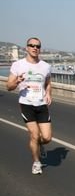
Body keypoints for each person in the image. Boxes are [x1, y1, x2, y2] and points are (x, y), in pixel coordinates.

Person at [6, 37, 52, 175]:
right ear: (26, 48)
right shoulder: (18, 65)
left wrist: (49, 93)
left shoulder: (45, 66)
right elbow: (8, 87)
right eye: (31, 45)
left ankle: (40, 145)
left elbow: (48, 82)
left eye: (37, 46)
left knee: (47, 138)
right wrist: (16, 81)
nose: (34, 48)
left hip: (42, 104)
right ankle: (36, 162)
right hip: (26, 104)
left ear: (40, 49)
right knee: (34, 135)